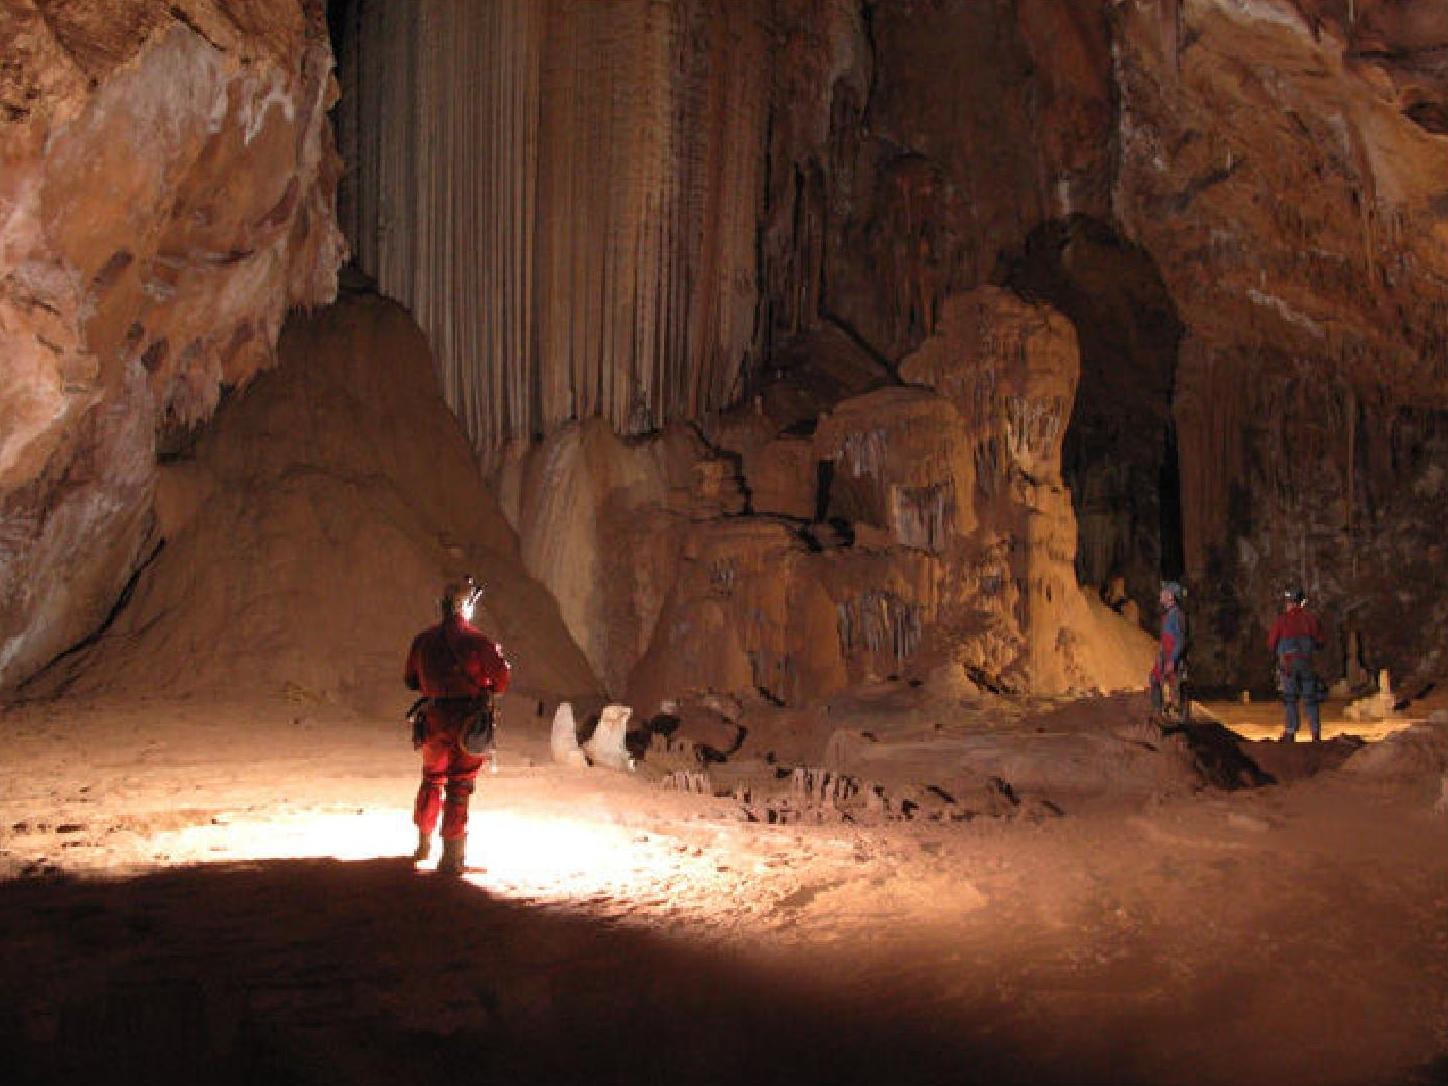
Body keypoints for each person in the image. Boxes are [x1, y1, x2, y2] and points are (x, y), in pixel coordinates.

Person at [404, 577, 511, 874]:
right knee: (459, 784)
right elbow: (500, 681)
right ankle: (451, 857)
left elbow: (410, 680)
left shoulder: (422, 640)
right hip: (467, 719)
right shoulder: (477, 641)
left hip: (433, 718)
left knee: (431, 778)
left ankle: (423, 844)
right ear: (465, 606)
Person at [1268, 585, 1325, 742]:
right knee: (1310, 698)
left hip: (1288, 665)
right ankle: (1315, 732)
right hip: (1306, 664)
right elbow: (1320, 642)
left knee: (1290, 698)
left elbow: (1272, 643)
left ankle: (1291, 731)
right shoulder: (1311, 620)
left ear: (1289, 603)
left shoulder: (1282, 621)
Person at [1149, 581, 1188, 722]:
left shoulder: (1176, 615)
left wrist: (1172, 659)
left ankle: (1173, 716)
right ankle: (1161, 713)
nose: (1161, 594)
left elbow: (1180, 640)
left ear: (1171, 596)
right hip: (1166, 655)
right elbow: (1165, 639)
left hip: (1172, 657)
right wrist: (1161, 655)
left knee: (1171, 686)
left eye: (1164, 592)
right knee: (1156, 680)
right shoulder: (1169, 614)